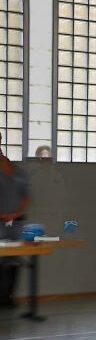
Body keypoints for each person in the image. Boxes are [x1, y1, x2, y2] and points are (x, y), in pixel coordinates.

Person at [0, 131, 30, 307]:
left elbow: (25, 195)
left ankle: (8, 297)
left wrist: (16, 213)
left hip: (16, 222)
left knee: (14, 260)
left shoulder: (14, 168)